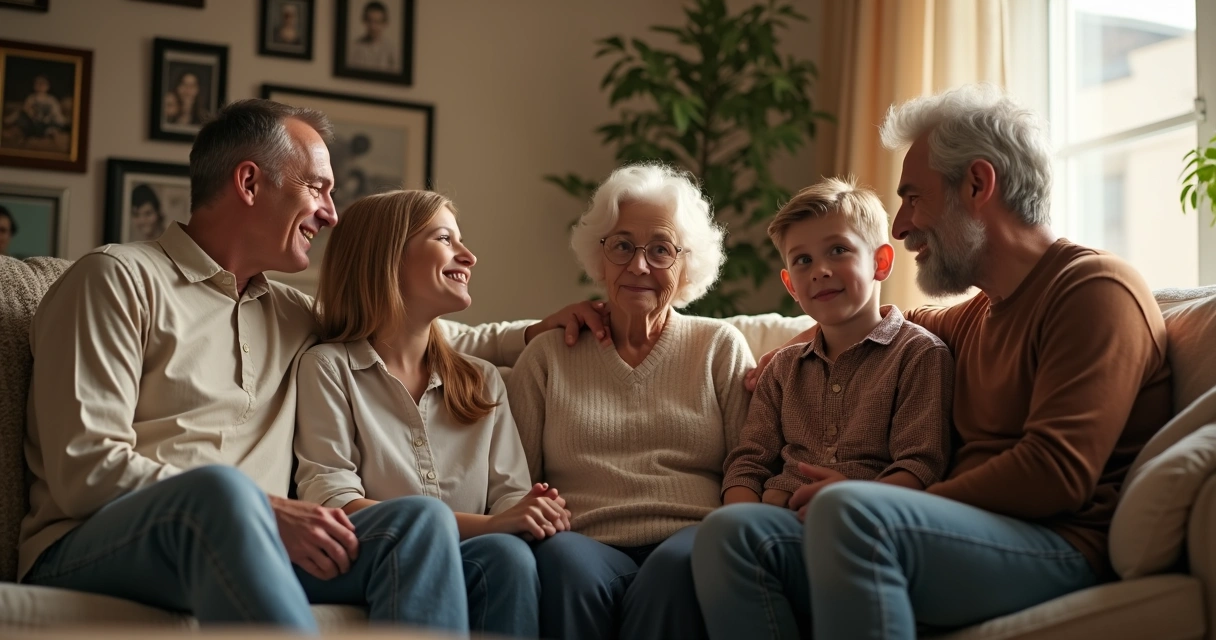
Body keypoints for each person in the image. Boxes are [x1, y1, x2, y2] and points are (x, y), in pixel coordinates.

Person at [19, 98, 608, 633]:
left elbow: (407, 325)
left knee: (419, 525)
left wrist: (534, 331)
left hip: (260, 542)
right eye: (318, 189)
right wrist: (260, 510)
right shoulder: (116, 280)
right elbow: (84, 467)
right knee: (223, 493)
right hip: (101, 543)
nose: (330, 214)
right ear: (250, 182)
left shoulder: (290, 312)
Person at [696, 83, 1173, 639]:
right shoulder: (976, 315)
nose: (900, 226)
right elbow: (875, 326)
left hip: (1058, 543)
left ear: (977, 183)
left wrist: (881, 498)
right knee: (732, 537)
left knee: (850, 516)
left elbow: (1056, 474)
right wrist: (796, 343)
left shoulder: (1093, 289)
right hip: (950, 533)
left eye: (913, 197)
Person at [294, 190, 572, 637]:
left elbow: (509, 496)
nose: (469, 255)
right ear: (387, 257)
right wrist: (495, 522)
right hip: (365, 553)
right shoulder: (328, 367)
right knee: (428, 521)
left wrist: (531, 512)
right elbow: (336, 501)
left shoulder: (481, 380)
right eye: (445, 238)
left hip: (472, 552)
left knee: (510, 556)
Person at [507, 163, 755, 640]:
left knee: (679, 569)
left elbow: (751, 463)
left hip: (689, 534)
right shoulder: (548, 355)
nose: (639, 265)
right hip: (584, 539)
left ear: (687, 267)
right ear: (600, 258)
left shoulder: (719, 346)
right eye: (622, 246)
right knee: (562, 562)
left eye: (660, 249)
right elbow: (518, 480)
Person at [715, 176, 952, 515]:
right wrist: (739, 519)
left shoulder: (919, 355)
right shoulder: (782, 369)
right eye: (803, 260)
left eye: (838, 250)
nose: (820, 271)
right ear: (791, 286)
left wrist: (850, 500)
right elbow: (747, 465)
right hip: (771, 518)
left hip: (861, 519)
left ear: (880, 262)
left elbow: (920, 466)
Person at [3, 75, 69, 143]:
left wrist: (59, 121)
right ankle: (7, 125)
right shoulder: (31, 98)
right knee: (20, 117)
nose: (40, 86)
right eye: (38, 83)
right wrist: (31, 114)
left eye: (43, 84)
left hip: (46, 123)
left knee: (52, 129)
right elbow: (26, 109)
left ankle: (52, 137)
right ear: (34, 86)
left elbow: (56, 113)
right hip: (33, 123)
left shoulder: (51, 100)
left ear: (48, 86)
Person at [348, 1, 397, 72]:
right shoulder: (354, 47)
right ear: (364, 20)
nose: (373, 27)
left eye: (377, 22)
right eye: (370, 21)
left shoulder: (391, 51)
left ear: (385, 23)